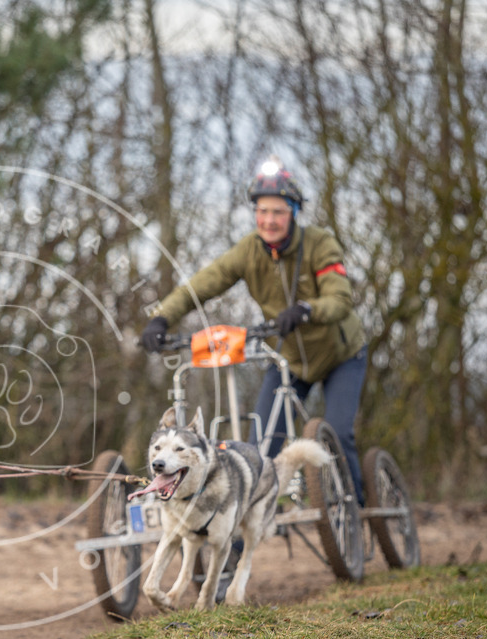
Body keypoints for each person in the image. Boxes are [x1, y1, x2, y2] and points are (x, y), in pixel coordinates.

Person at [139, 156, 367, 506]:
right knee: (259, 445)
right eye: (262, 211)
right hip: (288, 358)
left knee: (337, 432)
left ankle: (355, 509)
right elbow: (202, 285)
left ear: (293, 212)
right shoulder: (249, 251)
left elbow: (340, 299)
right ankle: (246, 523)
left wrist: (307, 309)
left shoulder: (320, 244)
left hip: (340, 355)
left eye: (278, 212)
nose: (269, 220)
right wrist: (161, 318)